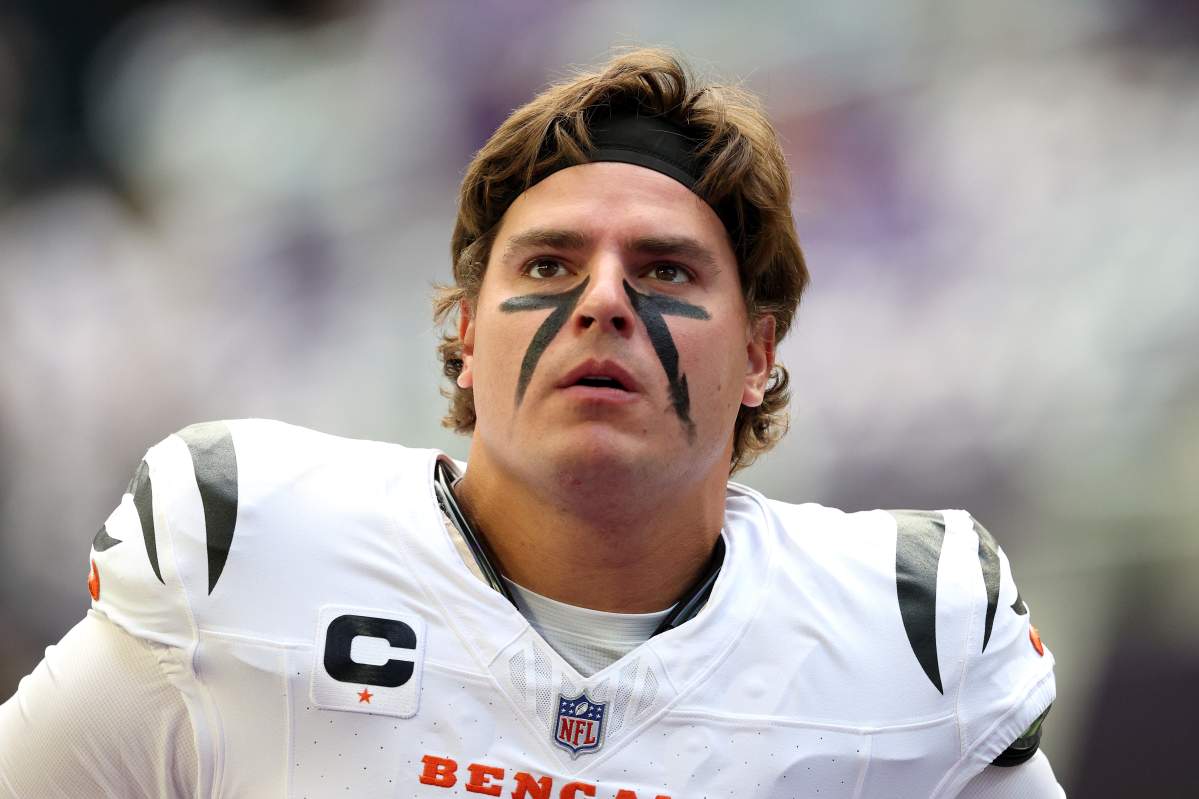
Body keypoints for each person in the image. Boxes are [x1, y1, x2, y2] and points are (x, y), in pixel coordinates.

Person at [0, 48, 1063, 798]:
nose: (602, 301)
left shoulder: (907, 637)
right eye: (549, 264)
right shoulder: (245, 552)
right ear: (466, 334)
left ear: (756, 354)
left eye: (665, 270)